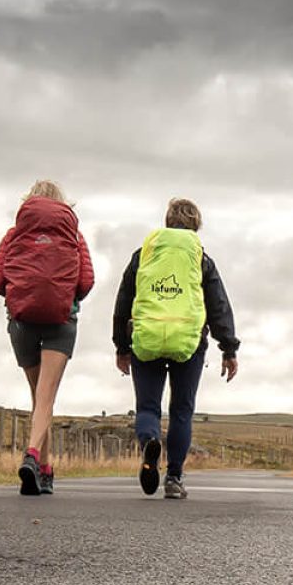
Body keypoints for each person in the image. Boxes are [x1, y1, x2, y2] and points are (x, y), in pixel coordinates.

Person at [112, 198, 239, 500]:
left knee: (147, 407)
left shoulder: (144, 254)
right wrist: (229, 348)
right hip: (189, 340)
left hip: (147, 337)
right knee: (181, 410)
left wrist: (121, 345)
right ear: (197, 225)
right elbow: (218, 305)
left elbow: (124, 299)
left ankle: (150, 442)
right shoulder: (201, 258)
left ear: (167, 221)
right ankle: (174, 478)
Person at [0, 180, 94, 496]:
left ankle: (45, 470)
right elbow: (86, 282)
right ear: (64, 205)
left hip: (22, 321)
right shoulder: (74, 236)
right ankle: (34, 456)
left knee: (38, 396)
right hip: (61, 320)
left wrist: (22, 293)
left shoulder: (14, 234)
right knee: (46, 397)